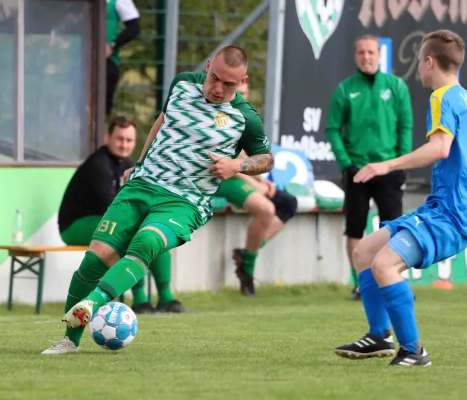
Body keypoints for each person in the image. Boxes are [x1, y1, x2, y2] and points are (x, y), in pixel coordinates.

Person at [42, 45, 274, 355]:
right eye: (215, 78)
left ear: (242, 80)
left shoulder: (245, 117)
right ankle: (69, 341)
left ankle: (93, 303)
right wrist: (138, 164)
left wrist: (237, 165)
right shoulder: (182, 84)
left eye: (229, 84)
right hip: (142, 185)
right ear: (208, 65)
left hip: (185, 200)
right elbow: (161, 122)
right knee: (95, 259)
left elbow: (266, 159)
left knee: (147, 243)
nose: (218, 88)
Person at [333, 29, 467, 366]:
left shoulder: (443, 97)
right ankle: (380, 335)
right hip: (444, 209)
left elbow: (440, 148)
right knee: (365, 251)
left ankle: (413, 350)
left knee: (384, 264)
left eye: (418, 62)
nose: (418, 71)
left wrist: (385, 165)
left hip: (448, 215)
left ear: (428, 61)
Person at [57, 116, 187, 315]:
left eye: (129, 140)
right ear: (107, 137)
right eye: (119, 139)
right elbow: (116, 208)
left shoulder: (128, 164)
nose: (124, 144)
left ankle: (166, 298)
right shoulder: (98, 164)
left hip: (100, 221)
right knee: (127, 233)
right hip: (76, 225)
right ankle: (140, 299)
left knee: (155, 232)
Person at [325, 35, 413, 300]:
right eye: (361, 52)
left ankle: (394, 283)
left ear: (379, 54)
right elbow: (332, 129)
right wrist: (346, 164)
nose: (366, 57)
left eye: (371, 52)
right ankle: (360, 284)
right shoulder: (344, 89)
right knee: (354, 229)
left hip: (388, 170)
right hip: (357, 171)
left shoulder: (397, 87)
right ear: (356, 56)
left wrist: (401, 163)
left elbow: (405, 126)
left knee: (396, 228)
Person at [214, 81, 298, 297]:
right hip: (224, 177)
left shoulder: (245, 114)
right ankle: (247, 269)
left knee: (288, 203)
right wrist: (254, 184)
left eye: (243, 93)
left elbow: (250, 155)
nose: (239, 97)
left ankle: (246, 254)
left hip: (241, 174)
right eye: (236, 93)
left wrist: (262, 181)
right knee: (267, 209)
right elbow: (229, 161)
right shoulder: (218, 115)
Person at [106, 0, 140, 116]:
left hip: (107, 63)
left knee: (102, 108)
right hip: (79, 58)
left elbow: (134, 27)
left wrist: (113, 45)